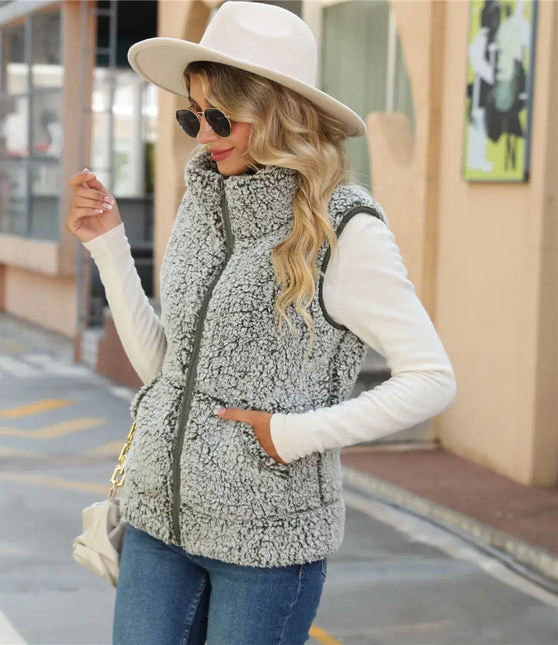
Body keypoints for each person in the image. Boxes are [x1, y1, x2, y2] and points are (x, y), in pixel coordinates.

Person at [66, 2, 456, 643]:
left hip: (267, 543)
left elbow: (431, 379)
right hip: (158, 520)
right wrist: (108, 244)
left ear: (278, 113)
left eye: (220, 117)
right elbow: (168, 370)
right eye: (191, 114)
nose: (202, 134)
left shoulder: (344, 227)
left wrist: (293, 434)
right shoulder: (202, 202)